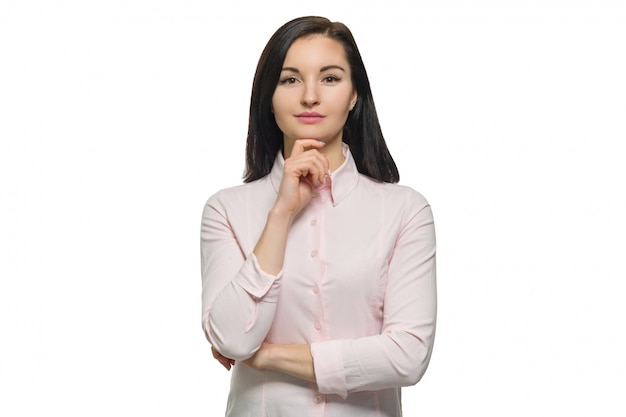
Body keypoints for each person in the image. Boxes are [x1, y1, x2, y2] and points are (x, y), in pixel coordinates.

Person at [200, 16, 437, 417]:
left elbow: (408, 355)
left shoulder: (404, 211)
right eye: (290, 79)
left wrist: (270, 356)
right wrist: (281, 213)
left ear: (354, 95)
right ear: (268, 96)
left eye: (329, 78)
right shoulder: (226, 210)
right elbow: (232, 340)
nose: (310, 96)